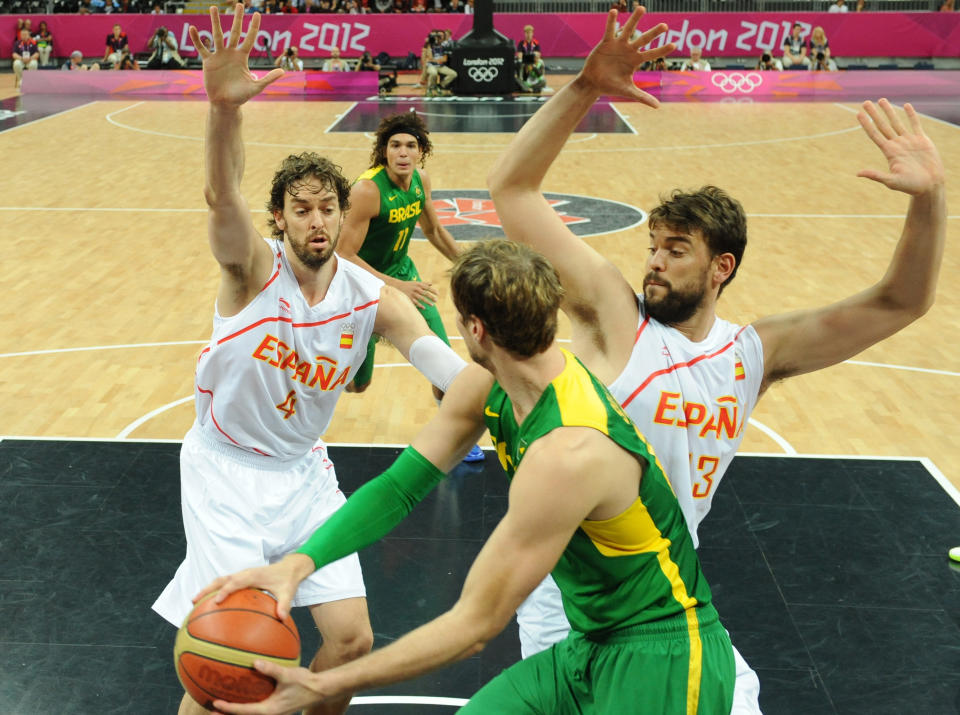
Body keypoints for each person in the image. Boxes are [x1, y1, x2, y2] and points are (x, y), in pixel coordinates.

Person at [485, 6, 946, 714]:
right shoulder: (615, 316)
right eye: (654, 246)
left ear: (721, 266)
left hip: (674, 600)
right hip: (577, 601)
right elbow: (512, 192)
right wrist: (581, 88)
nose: (655, 262)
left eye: (676, 250)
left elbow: (899, 302)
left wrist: (930, 201)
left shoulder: (752, 353)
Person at [194, 239, 737, 715]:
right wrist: (298, 564)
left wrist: (322, 684)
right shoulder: (487, 386)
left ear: (474, 328)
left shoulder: (569, 450)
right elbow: (400, 486)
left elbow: (476, 624)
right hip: (590, 643)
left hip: (665, 656)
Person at [152, 7, 469, 715]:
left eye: (327, 206)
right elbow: (218, 195)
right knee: (221, 658)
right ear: (281, 219)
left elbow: (445, 367)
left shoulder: (370, 295)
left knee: (352, 641)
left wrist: (516, 398)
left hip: (303, 475)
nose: (319, 220)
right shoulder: (249, 272)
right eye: (302, 209)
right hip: (225, 474)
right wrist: (223, 111)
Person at [336, 111, 483, 461]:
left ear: (421, 152)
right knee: (357, 385)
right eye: (395, 145)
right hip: (361, 290)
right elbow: (342, 254)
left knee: (444, 363)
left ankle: (457, 440)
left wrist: (469, 264)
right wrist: (395, 287)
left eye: (410, 146)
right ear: (384, 152)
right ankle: (320, 354)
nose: (403, 152)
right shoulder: (367, 191)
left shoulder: (421, 181)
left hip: (405, 279)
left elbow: (432, 230)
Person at [424, 32, 456, 97]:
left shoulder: (442, 47)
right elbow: (430, 57)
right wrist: (429, 46)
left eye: (438, 38)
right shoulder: (429, 46)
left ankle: (440, 85)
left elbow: (445, 59)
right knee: (433, 73)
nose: (437, 40)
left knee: (453, 74)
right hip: (431, 65)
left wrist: (436, 60)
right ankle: (430, 88)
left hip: (440, 66)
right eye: (435, 38)